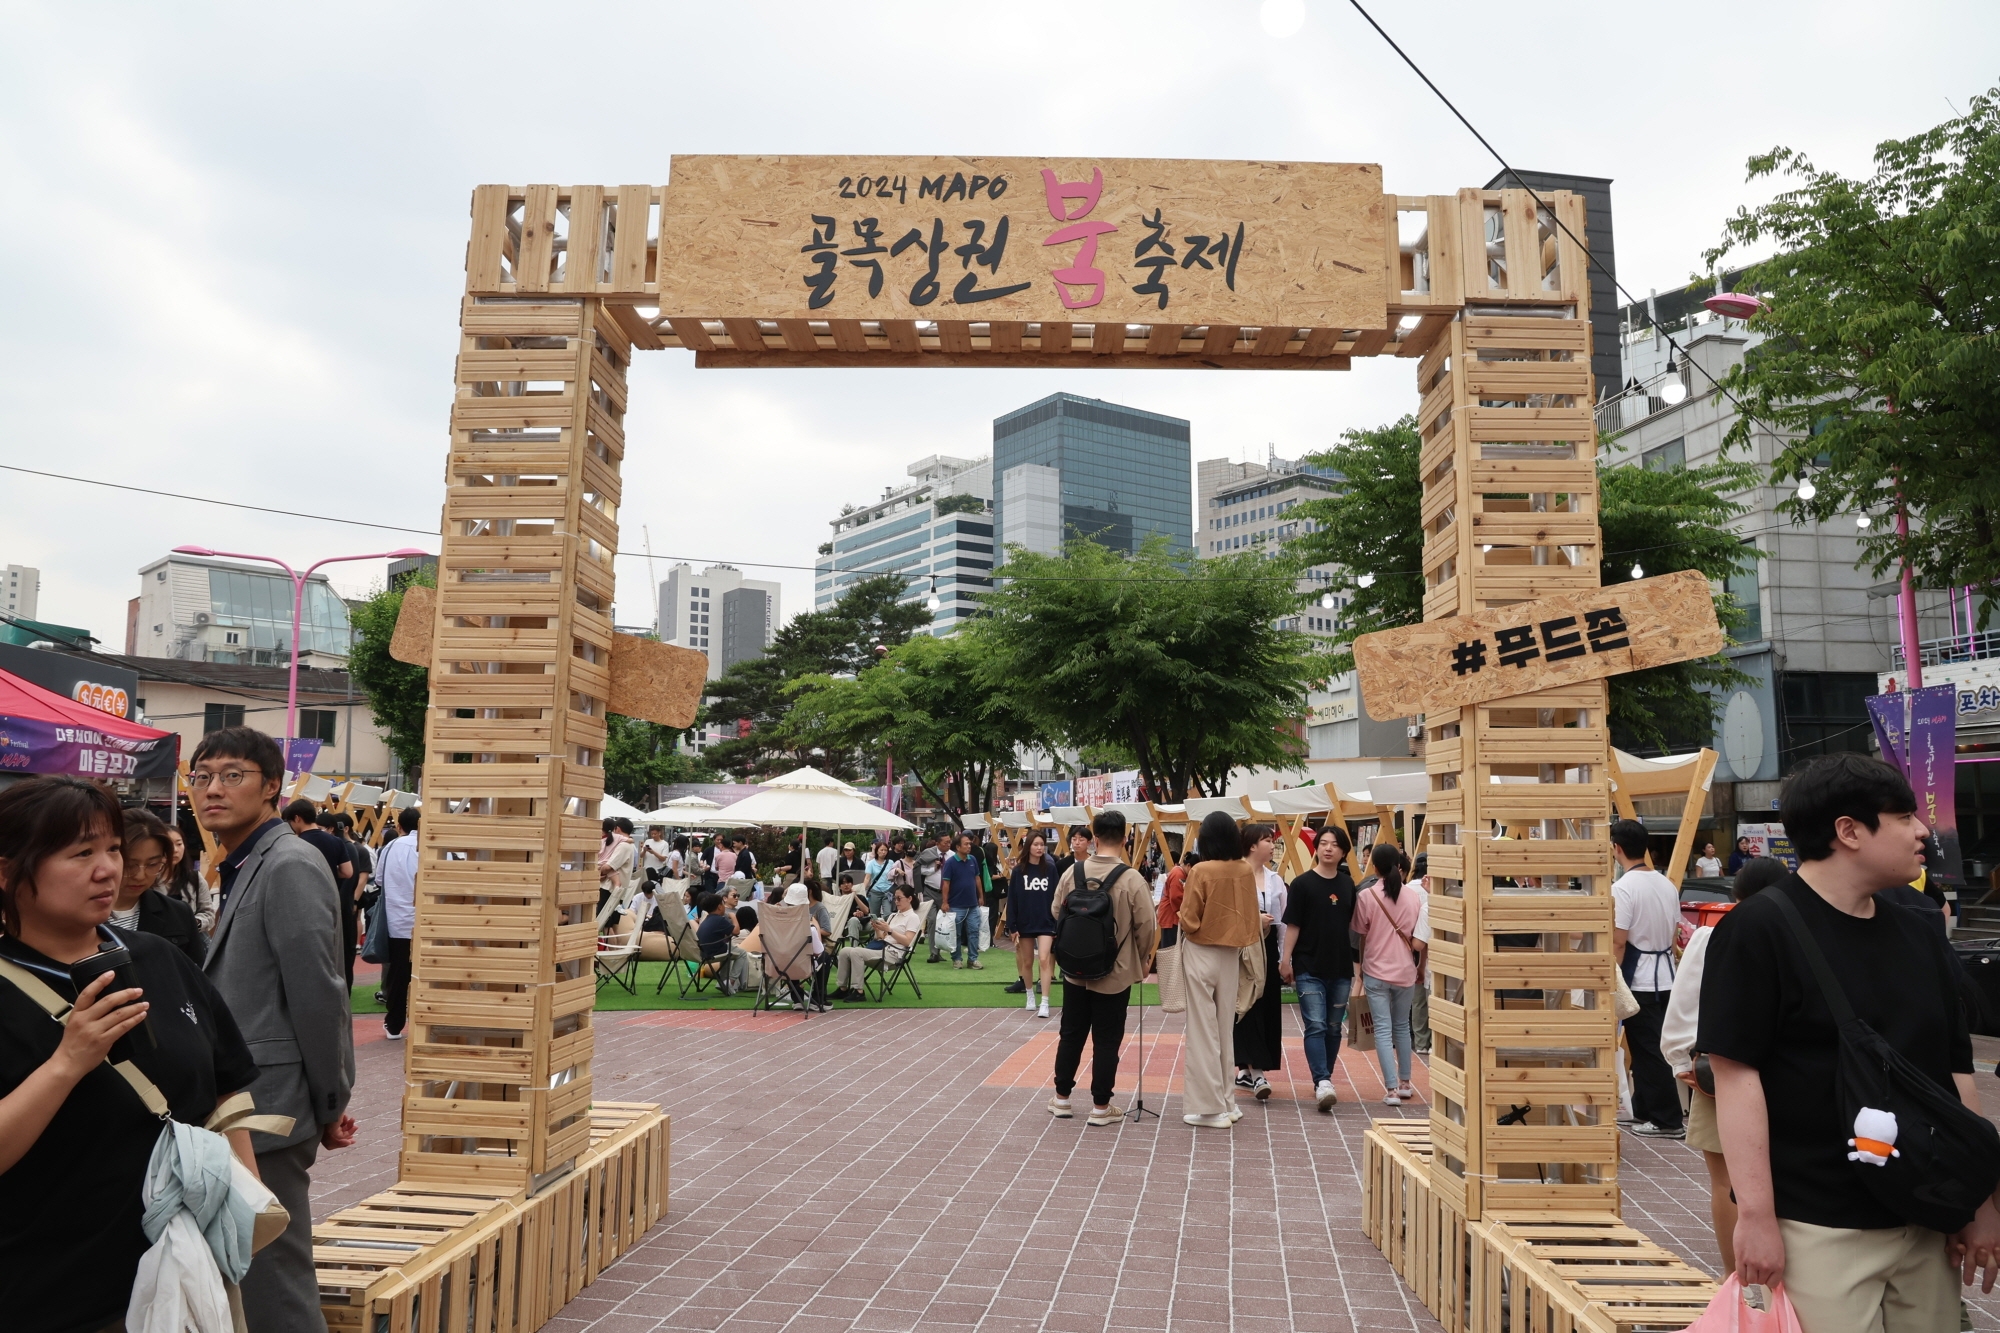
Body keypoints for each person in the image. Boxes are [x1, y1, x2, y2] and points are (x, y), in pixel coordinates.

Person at [1702, 753, 1999, 1330]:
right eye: (1905, 817)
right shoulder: (1758, 929)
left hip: (1926, 1218)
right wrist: (1756, 1216)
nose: (1922, 832)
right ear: (1848, 831)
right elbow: (1736, 1075)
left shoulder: (1919, 930)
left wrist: (1977, 1199)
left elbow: (1954, 1069)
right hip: (1817, 1224)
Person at [0, 775, 264, 1333]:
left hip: (183, 1276)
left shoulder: (157, 959)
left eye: (112, 848)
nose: (109, 869)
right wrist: (67, 1063)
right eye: (81, 853)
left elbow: (224, 1086)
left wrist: (249, 1212)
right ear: (7, 871)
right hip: (49, 1293)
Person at [191, 726, 356, 1331]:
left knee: (273, 1274)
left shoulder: (288, 863)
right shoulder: (241, 864)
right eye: (202, 777)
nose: (213, 790)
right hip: (245, 1103)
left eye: (233, 776)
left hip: (271, 1107)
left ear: (272, 788)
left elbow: (320, 993)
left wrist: (330, 1100)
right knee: (250, 1268)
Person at [1662, 856, 1789, 1276]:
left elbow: (1684, 1004)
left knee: (1724, 1181)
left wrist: (1682, 1061)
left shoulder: (1711, 932)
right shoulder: (1796, 930)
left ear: (1737, 893)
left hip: (1718, 1074)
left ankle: (1738, 1279)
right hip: (1783, 1072)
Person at [1048, 810, 1158, 1127]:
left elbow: (1056, 911)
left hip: (1074, 968)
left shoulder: (1073, 872)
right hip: (1116, 971)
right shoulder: (1132, 878)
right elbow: (1146, 927)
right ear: (1124, 839)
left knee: (1071, 1034)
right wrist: (1142, 958)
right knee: (1107, 1040)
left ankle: (1062, 1099)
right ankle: (1100, 1106)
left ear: (1094, 838)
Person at [1178, 812, 1260, 1128]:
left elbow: (1189, 918)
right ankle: (1227, 1102)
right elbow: (1251, 916)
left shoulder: (1201, 870)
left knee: (1202, 1029)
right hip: (1232, 953)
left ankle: (1210, 1109)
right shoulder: (1243, 869)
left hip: (1201, 951)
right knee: (1225, 1027)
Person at [1611, 818, 1684, 1138]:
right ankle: (1644, 1109)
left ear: (1616, 848)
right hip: (1667, 975)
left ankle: (1667, 1119)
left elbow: (1618, 941)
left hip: (1638, 978)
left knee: (1649, 1048)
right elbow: (1673, 933)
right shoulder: (1666, 883)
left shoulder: (1623, 888)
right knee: (1648, 1047)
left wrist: (1612, 982)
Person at [1282, 825, 1357, 1113]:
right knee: (1315, 1025)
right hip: (1308, 965)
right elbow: (1293, 925)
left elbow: (1353, 926)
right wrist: (1285, 959)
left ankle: (1324, 1078)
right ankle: (1323, 1081)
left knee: (1334, 1027)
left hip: (1340, 967)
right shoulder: (1302, 884)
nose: (1327, 848)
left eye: (1334, 844)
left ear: (1342, 851)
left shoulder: (1348, 885)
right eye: (1323, 843)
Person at [1353, 842, 1424, 1106]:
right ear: (1399, 865)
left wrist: (1360, 970)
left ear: (1374, 867)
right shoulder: (1413, 896)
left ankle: (1392, 1089)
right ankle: (1406, 1082)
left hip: (1376, 970)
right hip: (1406, 970)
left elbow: (1361, 933)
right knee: (1402, 1027)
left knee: (1383, 1029)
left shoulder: (1366, 896)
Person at [113, 807, 206, 965]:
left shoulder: (179, 914)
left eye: (153, 864)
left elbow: (196, 980)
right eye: (130, 865)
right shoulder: (78, 915)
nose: (140, 876)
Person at [1234, 823, 1286, 1102]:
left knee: (1265, 1007)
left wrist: (1284, 957)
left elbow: (1282, 923)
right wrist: (1255, 919)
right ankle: (1257, 1074)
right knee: (1246, 1006)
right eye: (1267, 840)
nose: (1271, 845)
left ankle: (1246, 1070)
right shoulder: (1234, 875)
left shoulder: (1275, 879)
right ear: (1252, 845)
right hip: (1240, 949)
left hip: (1266, 949)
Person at [376, 806, 421, 1040]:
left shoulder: (390, 847)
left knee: (398, 974)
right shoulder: (431, 847)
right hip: (426, 921)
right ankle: (425, 1022)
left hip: (398, 921)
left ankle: (394, 1024)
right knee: (426, 973)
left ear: (400, 826)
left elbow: (380, 879)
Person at [833, 884, 921, 999]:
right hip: (882, 949)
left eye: (899, 898)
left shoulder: (913, 917)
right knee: (844, 951)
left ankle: (858, 991)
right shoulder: (893, 916)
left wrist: (889, 930)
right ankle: (842, 988)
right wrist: (878, 930)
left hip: (894, 955)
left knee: (856, 952)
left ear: (909, 899)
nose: (896, 901)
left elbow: (908, 941)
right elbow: (883, 939)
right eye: (895, 898)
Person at [1007, 831, 1060, 1017]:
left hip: (1046, 922)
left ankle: (1045, 1002)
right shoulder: (1018, 871)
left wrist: (1056, 922)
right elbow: (1012, 899)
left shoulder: (1051, 869)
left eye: (1041, 844)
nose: (1039, 848)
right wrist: (1012, 926)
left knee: (1044, 959)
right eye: (1035, 844)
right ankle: (1030, 995)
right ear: (1028, 846)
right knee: (1027, 961)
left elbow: (1057, 897)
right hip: (1024, 922)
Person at [161, 818, 216, 936]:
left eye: (179, 844)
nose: (175, 850)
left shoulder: (194, 877)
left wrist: (194, 923)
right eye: (169, 845)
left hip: (189, 944)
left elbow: (209, 914)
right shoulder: (149, 879)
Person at [286, 798, 353, 888]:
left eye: (290, 822)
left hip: (304, 894)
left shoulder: (295, 842)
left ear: (297, 818)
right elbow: (347, 872)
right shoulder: (336, 841)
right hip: (330, 894)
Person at [942, 832, 984, 969]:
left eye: (970, 844)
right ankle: (957, 959)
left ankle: (972, 959)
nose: (969, 846)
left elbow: (977, 878)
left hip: (972, 904)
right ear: (958, 847)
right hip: (956, 905)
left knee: (973, 932)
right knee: (956, 934)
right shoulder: (950, 863)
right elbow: (946, 883)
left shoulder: (972, 860)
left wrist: (981, 896)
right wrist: (945, 902)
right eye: (966, 844)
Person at [695, 890, 748, 995]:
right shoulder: (719, 919)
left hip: (704, 952)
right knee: (742, 953)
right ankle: (730, 981)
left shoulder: (707, 919)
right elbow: (736, 931)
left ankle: (723, 982)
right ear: (719, 907)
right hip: (714, 952)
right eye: (723, 904)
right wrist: (733, 917)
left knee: (728, 951)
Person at [917, 831, 950, 962]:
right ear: (937, 843)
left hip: (945, 893)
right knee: (932, 920)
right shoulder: (928, 853)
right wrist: (933, 869)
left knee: (944, 922)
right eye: (945, 842)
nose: (948, 844)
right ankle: (933, 952)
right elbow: (919, 868)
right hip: (929, 891)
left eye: (949, 842)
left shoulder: (952, 855)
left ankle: (943, 950)